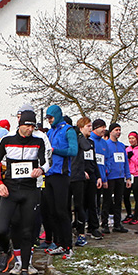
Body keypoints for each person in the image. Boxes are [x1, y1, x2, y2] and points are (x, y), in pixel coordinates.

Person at [0, 110, 47, 275]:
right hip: (11, 190)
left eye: (32, 126)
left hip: (30, 191)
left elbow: (47, 161)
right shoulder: (7, 141)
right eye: (27, 125)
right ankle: (7, 252)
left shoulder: (38, 142)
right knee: (0, 228)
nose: (30, 129)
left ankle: (24, 271)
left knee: (27, 231)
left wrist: (42, 170)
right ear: (20, 125)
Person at [44, 105, 78, 258]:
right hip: (49, 174)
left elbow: (73, 151)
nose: (49, 120)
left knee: (62, 211)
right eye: (47, 118)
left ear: (57, 116)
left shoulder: (69, 130)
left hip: (61, 175)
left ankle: (68, 245)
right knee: (51, 212)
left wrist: (54, 150)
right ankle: (58, 243)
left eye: (51, 117)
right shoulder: (50, 132)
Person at [70, 117, 96, 248]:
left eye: (91, 126)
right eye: (88, 126)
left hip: (78, 177)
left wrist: (81, 136)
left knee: (80, 206)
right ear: (80, 127)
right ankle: (67, 233)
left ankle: (81, 234)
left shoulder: (84, 140)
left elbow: (86, 147)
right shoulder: (72, 138)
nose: (90, 129)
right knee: (66, 206)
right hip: (69, 175)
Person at [123, 132, 138, 224]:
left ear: (137, 139)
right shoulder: (127, 149)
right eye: (129, 138)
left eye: (133, 138)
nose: (131, 140)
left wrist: (131, 157)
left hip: (137, 175)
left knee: (137, 196)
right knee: (125, 196)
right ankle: (129, 214)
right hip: (128, 175)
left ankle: (136, 215)